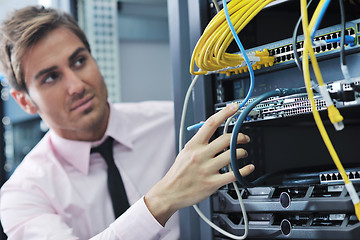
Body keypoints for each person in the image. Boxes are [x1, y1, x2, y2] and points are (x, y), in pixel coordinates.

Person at [0, 5, 254, 240]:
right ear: (24, 101)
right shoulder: (24, 194)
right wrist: (162, 200)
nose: (77, 86)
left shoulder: (175, 124)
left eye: (79, 61)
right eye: (51, 77)